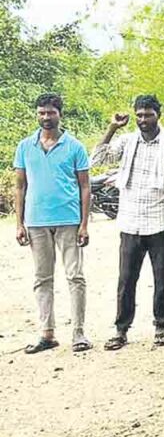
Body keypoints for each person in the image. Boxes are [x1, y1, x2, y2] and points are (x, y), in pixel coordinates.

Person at [92, 95, 164, 351]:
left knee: (161, 278)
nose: (143, 120)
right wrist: (112, 128)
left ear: (158, 115)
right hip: (130, 221)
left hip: (160, 221)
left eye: (148, 115)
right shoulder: (127, 141)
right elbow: (98, 160)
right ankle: (121, 331)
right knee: (126, 279)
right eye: (139, 115)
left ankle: (161, 327)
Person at [14, 94, 92, 354]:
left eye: (50, 112)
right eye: (41, 113)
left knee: (75, 277)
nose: (46, 117)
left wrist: (84, 224)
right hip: (36, 221)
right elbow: (20, 186)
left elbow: (84, 186)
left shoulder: (74, 147)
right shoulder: (25, 146)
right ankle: (47, 333)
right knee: (42, 278)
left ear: (60, 114)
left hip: (69, 220)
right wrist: (19, 223)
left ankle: (79, 333)